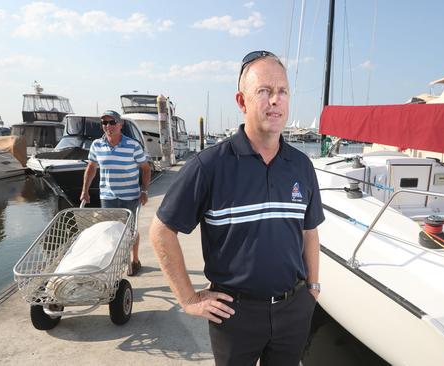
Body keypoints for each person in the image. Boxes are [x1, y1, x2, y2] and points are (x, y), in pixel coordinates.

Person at [150, 50, 325, 366]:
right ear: (242, 101)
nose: (275, 100)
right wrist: (188, 299)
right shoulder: (209, 166)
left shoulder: (301, 166)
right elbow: (161, 231)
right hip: (235, 315)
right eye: (264, 91)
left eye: (282, 91)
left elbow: (309, 230)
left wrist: (312, 289)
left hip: (293, 310)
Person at [81, 110, 151, 276]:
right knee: (111, 231)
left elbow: (146, 169)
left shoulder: (133, 145)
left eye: (112, 122)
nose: (108, 126)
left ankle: (135, 260)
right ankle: (117, 261)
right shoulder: (97, 145)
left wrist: (144, 190)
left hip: (130, 196)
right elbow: (91, 168)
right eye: (104, 123)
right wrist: (85, 190)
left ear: (120, 124)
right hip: (108, 196)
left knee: (131, 230)